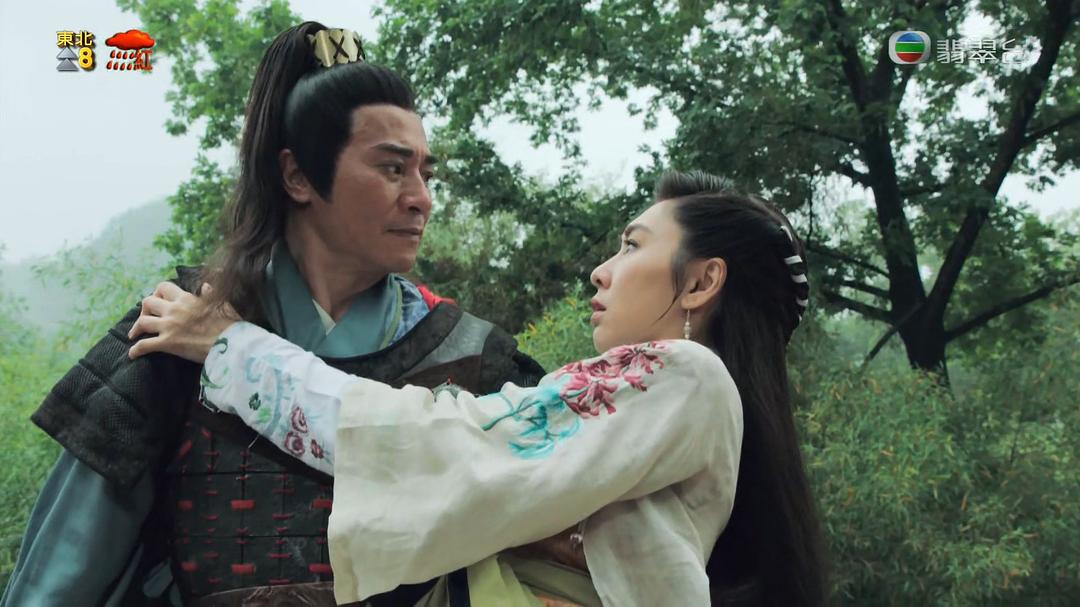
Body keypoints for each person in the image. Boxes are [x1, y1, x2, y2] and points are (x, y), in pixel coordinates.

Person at [2, 22, 550, 606]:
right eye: (393, 169)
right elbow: (61, 576)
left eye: (425, 173)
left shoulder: (475, 361)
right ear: (297, 176)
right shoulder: (177, 331)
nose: (421, 198)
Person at [129, 170, 830, 606]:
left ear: (702, 281)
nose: (602, 270)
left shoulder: (686, 373)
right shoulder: (671, 404)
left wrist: (235, 348)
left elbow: (454, 442)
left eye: (632, 244)